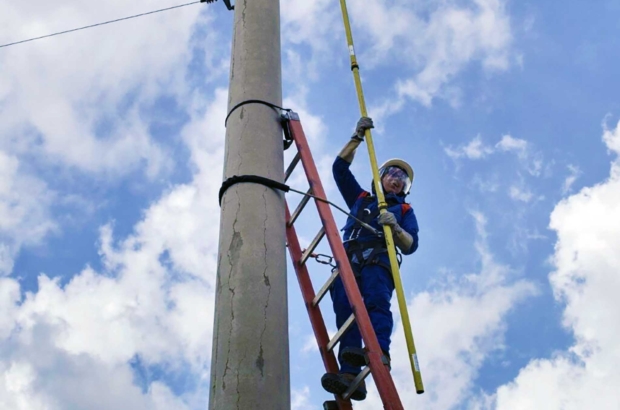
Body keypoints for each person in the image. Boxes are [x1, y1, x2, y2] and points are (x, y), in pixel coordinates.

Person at [320, 117, 419, 401]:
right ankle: (350, 371)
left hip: (378, 260)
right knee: (344, 307)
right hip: (350, 258)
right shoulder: (361, 198)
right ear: (382, 176)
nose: (397, 179)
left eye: (403, 177)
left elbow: (411, 245)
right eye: (393, 173)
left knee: (376, 303)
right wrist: (357, 137)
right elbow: (340, 169)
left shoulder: (405, 210)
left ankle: (379, 351)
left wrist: (396, 228)